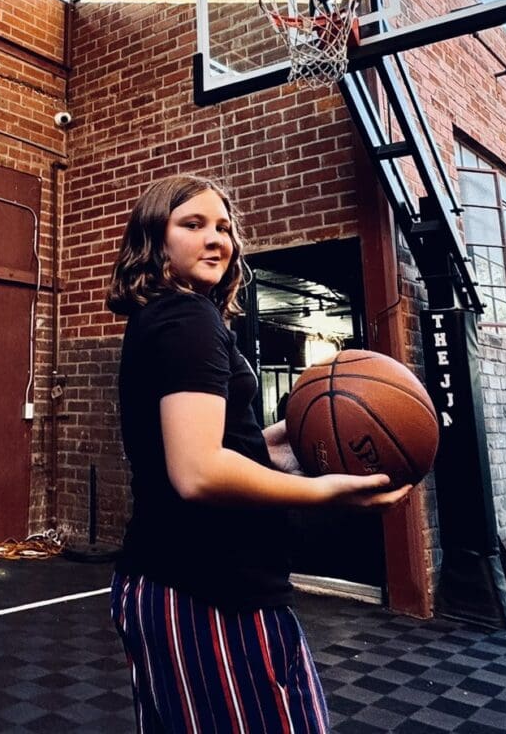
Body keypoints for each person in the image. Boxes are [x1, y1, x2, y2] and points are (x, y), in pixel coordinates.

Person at [105, 173, 408, 733]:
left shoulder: (174, 318)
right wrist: (322, 492)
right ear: (156, 238)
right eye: (192, 224)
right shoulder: (185, 318)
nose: (216, 238)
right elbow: (197, 471)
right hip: (205, 589)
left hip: (199, 582)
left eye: (223, 227)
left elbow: (219, 444)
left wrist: (300, 434)